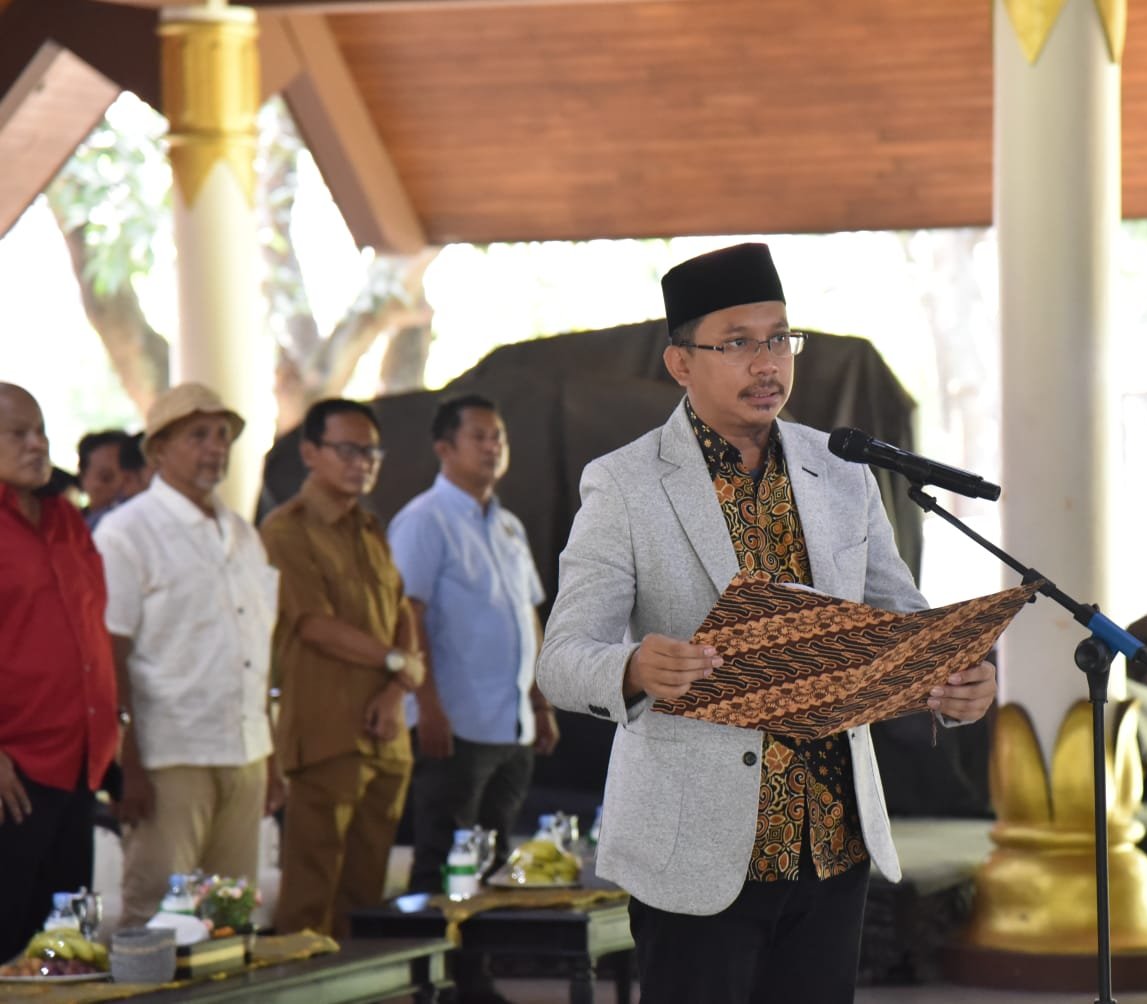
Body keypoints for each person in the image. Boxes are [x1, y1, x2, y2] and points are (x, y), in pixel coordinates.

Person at [536, 243, 998, 1002]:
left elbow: (899, 623)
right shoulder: (624, 482)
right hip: (698, 851)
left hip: (831, 843)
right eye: (738, 343)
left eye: (780, 337)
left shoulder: (843, 469)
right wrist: (631, 667)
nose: (767, 363)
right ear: (680, 363)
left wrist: (949, 682)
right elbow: (562, 657)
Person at [92, 383, 282, 927]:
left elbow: (256, 650)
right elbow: (112, 652)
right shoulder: (127, 533)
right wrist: (127, 762)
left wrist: (271, 757)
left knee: (230, 912)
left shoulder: (244, 535)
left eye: (222, 435)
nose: (215, 447)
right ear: (158, 451)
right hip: (167, 752)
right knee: (157, 914)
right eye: (197, 435)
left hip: (244, 749)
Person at [259, 398, 424, 938]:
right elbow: (311, 624)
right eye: (348, 449)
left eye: (371, 451)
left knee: (365, 903)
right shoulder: (286, 530)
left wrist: (395, 688)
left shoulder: (371, 527)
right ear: (310, 452)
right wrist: (399, 662)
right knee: (310, 900)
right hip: (328, 738)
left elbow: (401, 612)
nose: (363, 461)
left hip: (387, 736)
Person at [388, 395, 558, 895]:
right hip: (454, 723)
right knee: (442, 863)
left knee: (495, 863)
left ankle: (478, 974)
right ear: (444, 448)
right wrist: (428, 707)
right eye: (479, 437)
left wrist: (540, 701)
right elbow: (407, 616)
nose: (492, 447)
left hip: (511, 725)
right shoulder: (425, 519)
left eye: (498, 437)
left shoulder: (509, 525)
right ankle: (437, 971)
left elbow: (527, 615)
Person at [0, 384, 119, 962]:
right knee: (8, 943)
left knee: (66, 948)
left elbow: (93, 632)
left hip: (79, 761)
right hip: (13, 771)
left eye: (41, 430)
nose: (36, 443)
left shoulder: (67, 522)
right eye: (17, 433)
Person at [77, 430, 149, 529]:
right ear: (83, 478)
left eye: (129, 477)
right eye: (106, 477)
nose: (119, 484)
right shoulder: (75, 532)